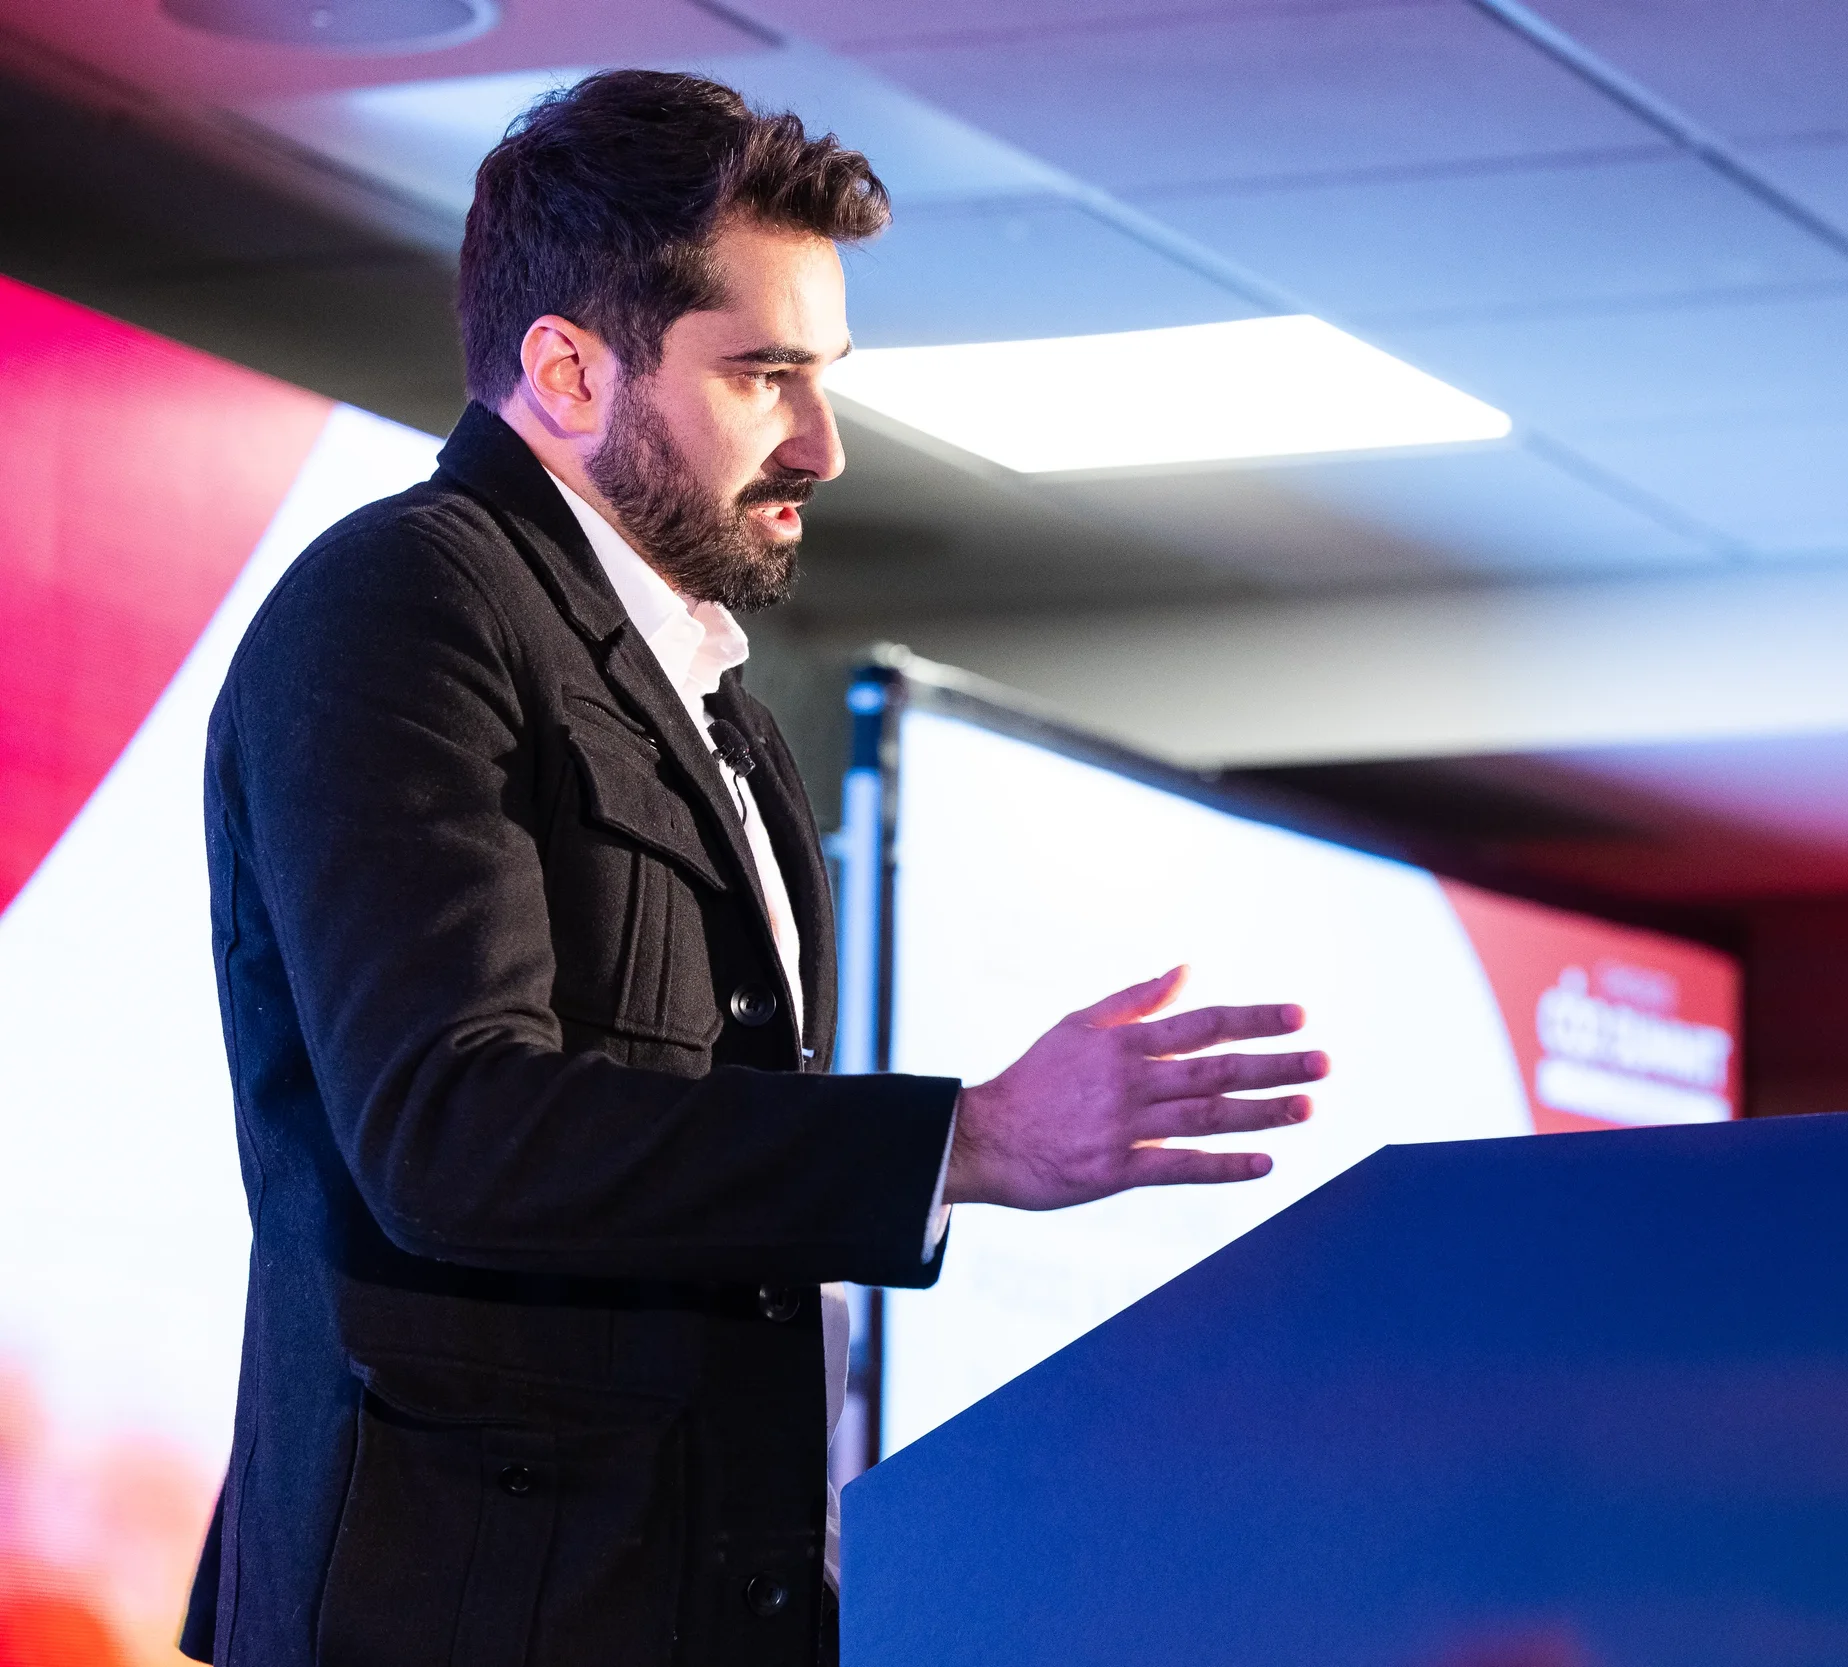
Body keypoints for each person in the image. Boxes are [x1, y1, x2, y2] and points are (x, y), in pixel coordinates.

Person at [178, 69, 1326, 1667]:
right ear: (569, 370)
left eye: (825, 373)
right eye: (765, 373)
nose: (825, 443)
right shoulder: (402, 605)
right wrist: (970, 1137)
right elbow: (450, 1132)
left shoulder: (713, 702)